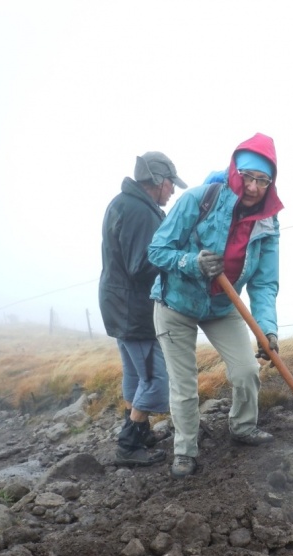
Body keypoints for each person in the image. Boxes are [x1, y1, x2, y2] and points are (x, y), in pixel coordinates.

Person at [148, 133, 283, 478]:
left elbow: (264, 283)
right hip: (175, 303)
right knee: (184, 384)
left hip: (222, 305)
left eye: (262, 180)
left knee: (246, 371)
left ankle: (242, 427)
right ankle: (185, 450)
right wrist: (192, 263)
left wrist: (268, 329)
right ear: (235, 171)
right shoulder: (198, 199)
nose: (253, 187)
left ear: (271, 182)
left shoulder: (268, 222)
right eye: (248, 177)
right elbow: (157, 250)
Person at [99, 151, 188, 466]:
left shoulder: (123, 202)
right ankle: (129, 443)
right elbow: (141, 265)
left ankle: (141, 431)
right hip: (133, 309)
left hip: (118, 303)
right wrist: (179, 261)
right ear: (159, 181)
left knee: (135, 373)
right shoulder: (141, 211)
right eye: (171, 184)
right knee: (155, 377)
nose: (173, 191)